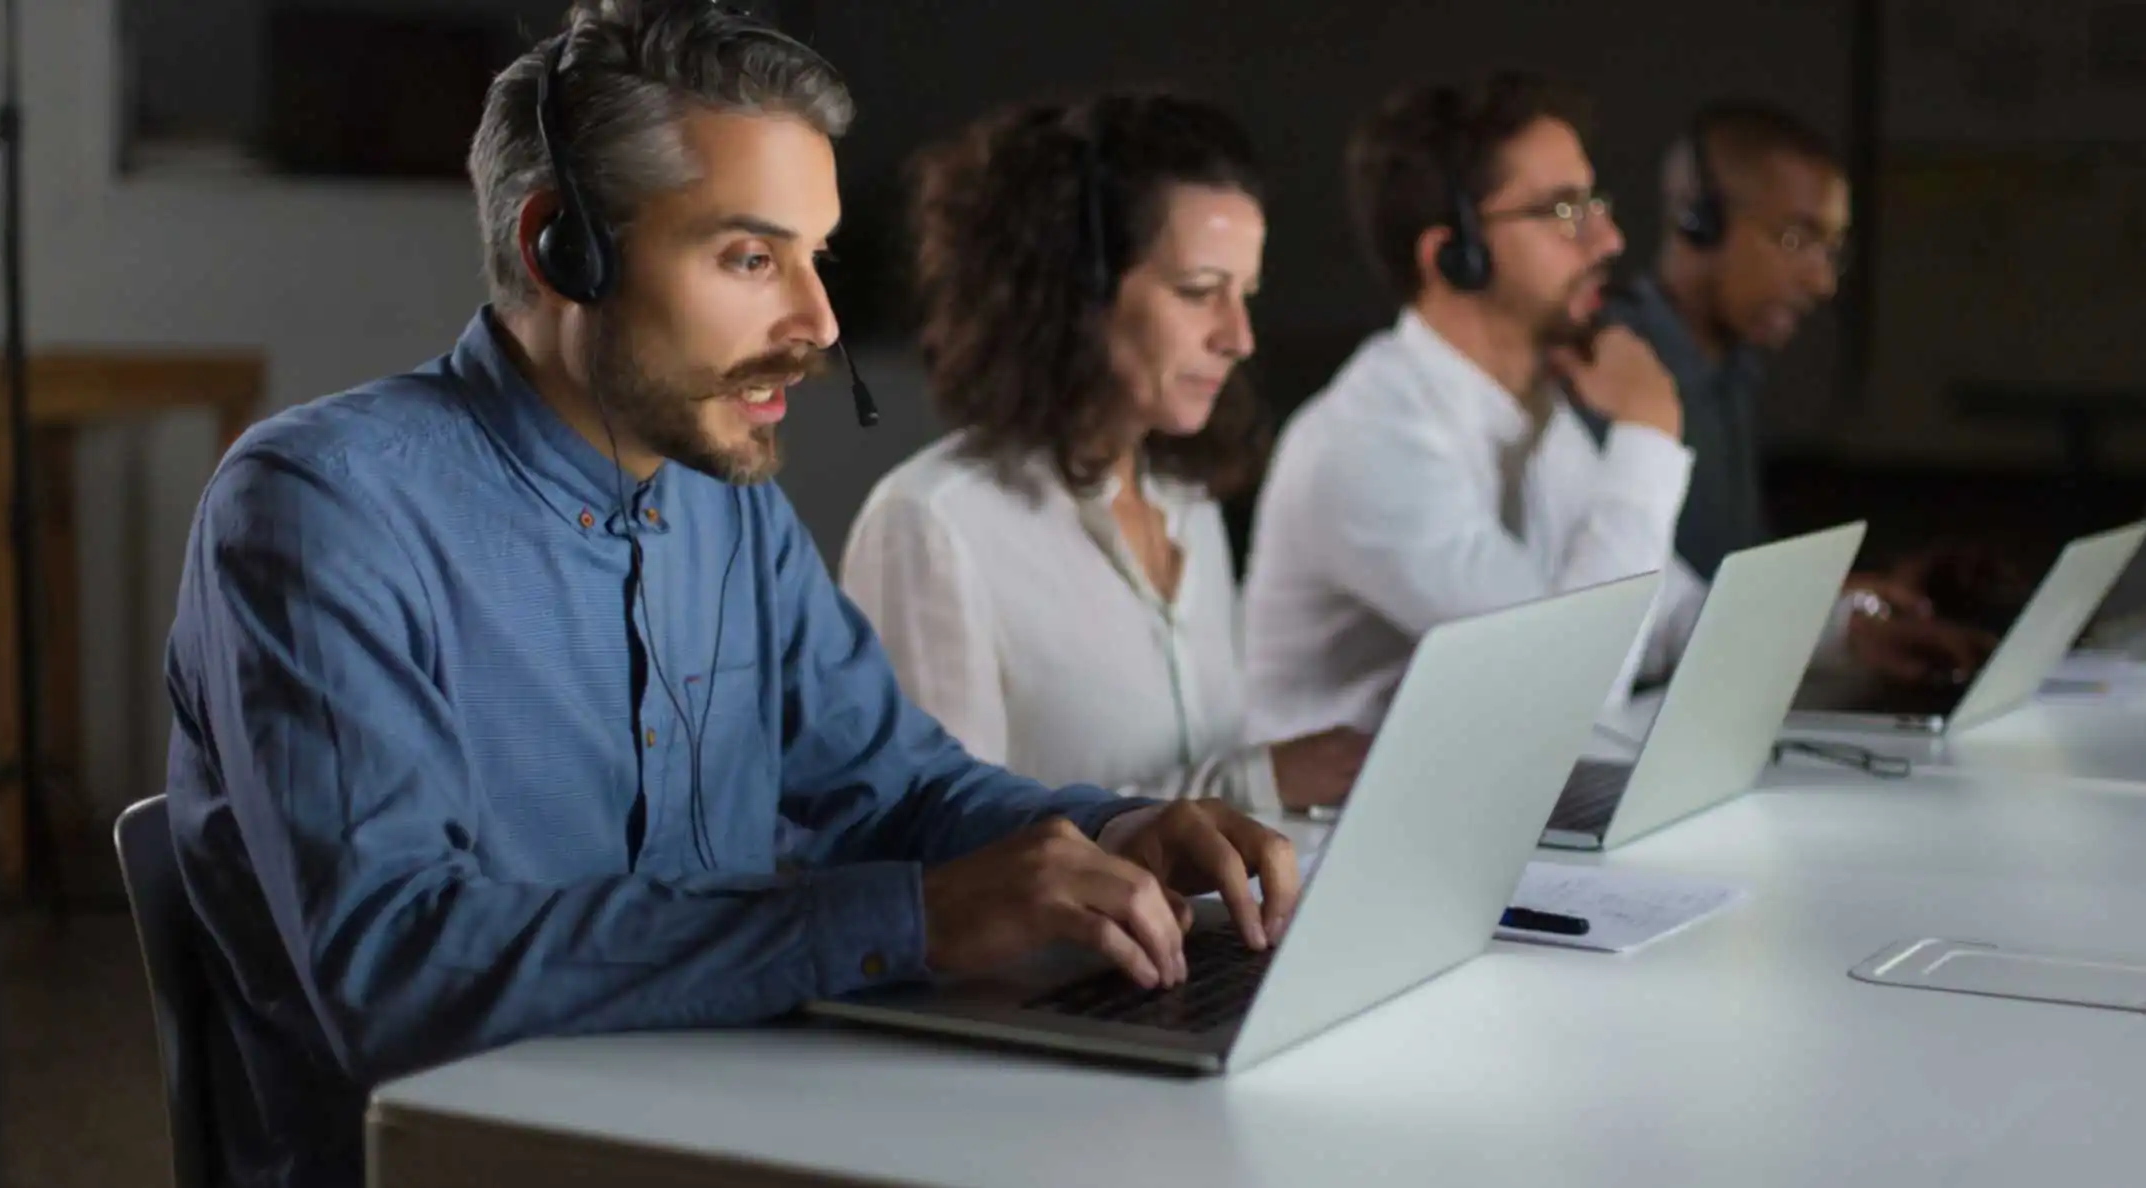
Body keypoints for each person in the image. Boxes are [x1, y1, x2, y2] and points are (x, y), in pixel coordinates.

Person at [161, 6, 1296, 1186]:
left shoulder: (720, 496)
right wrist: (905, 921)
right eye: (751, 259)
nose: (817, 327)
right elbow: (396, 970)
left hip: (726, 1124)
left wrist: (1114, 832)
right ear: (564, 250)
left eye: (816, 259)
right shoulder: (322, 509)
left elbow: (891, 786)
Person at [839, 95, 1371, 815]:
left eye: (1245, 295)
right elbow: (945, 847)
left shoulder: (1188, 502)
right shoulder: (931, 525)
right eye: (1198, 292)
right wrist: (1255, 785)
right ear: (1074, 295)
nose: (1239, 338)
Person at [1243, 72, 1701, 745]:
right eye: (1565, 211)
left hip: (1467, 804)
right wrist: (1648, 435)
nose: (1608, 241)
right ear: (1454, 256)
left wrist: (1846, 630)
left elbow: (1662, 615)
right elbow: (1569, 684)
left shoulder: (1529, 407)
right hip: (1327, 839)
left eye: (1593, 203)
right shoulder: (1365, 440)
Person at [1603, 100, 1994, 682]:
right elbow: (1643, 610)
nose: (1822, 280)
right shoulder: (1614, 367)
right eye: (1794, 240)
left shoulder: (1731, 368)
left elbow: (1726, 576)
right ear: (1698, 221)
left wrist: (1853, 596)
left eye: (1830, 250)